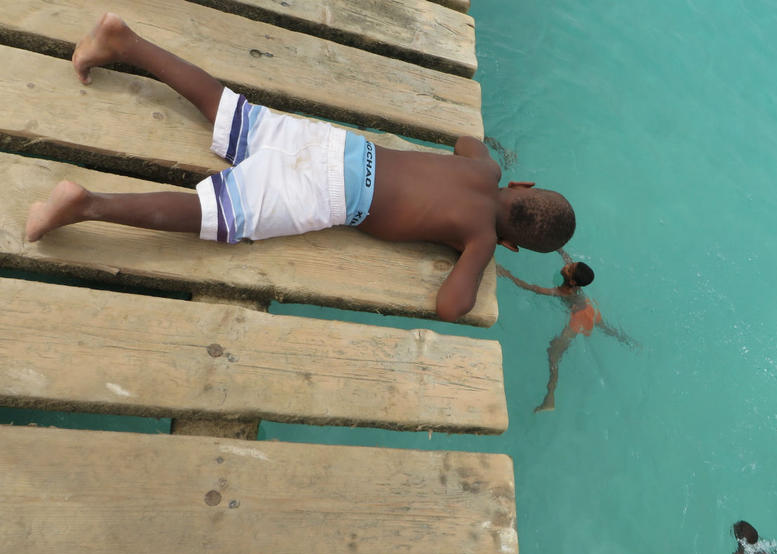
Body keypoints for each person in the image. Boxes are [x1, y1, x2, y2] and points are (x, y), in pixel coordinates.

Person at [25, 13, 576, 323]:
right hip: (328, 195)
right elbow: (450, 306)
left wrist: (492, 181)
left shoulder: (484, 174)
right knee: (217, 215)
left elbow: (465, 142)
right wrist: (476, 256)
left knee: (231, 111)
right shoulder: (481, 239)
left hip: (341, 149)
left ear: (522, 185)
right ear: (514, 246)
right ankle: (87, 205)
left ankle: (126, 41)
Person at [497, 249, 634, 411]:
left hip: (578, 318)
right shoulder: (574, 280)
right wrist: (559, 248)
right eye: (570, 265)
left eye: (569, 269)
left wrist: (507, 274)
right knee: (605, 327)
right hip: (589, 306)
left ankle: (550, 399)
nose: (567, 266)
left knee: (553, 354)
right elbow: (568, 259)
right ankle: (627, 341)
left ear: (572, 282)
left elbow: (533, 288)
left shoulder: (564, 291)